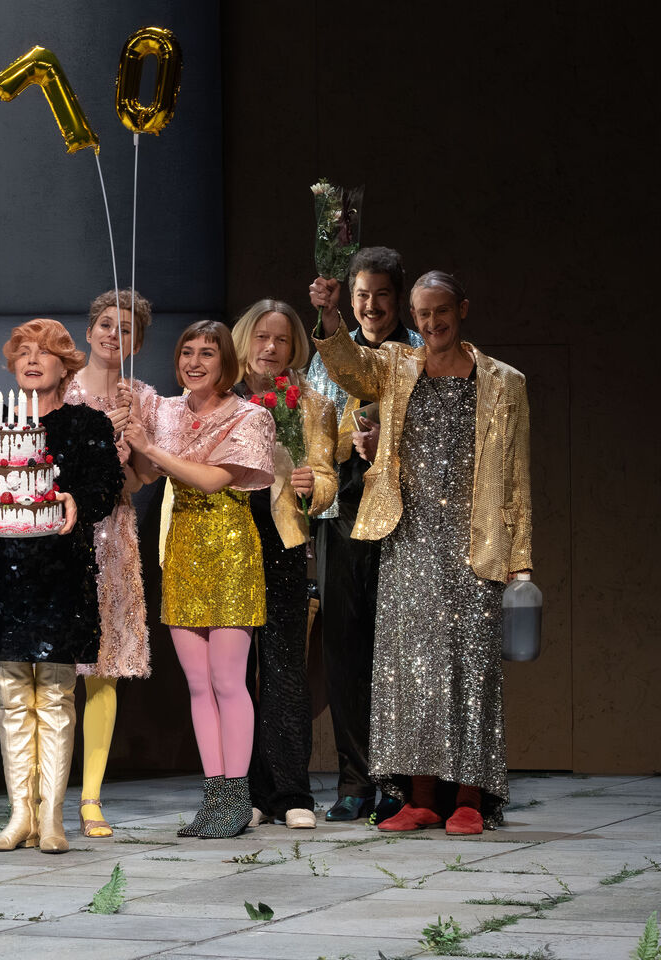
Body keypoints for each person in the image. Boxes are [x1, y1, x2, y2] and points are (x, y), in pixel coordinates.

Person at [309, 270, 531, 835]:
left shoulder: (504, 381)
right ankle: (422, 797)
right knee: (410, 671)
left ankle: (470, 799)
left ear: (462, 309)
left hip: (474, 542)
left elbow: (516, 477)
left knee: (470, 669)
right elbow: (348, 368)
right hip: (409, 539)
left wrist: (520, 558)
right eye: (424, 314)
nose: (433, 323)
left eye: (441, 311)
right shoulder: (397, 365)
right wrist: (331, 317)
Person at [0, 319, 123, 854]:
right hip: (2, 574)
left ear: (67, 365)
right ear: (12, 365)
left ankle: (53, 817)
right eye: (23, 352)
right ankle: (20, 814)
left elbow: (106, 483)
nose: (33, 360)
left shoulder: (86, 424)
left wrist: (75, 499)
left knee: (57, 694)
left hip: (61, 572)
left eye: (45, 352)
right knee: (12, 695)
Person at [124, 321, 275, 838]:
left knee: (228, 680)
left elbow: (213, 480)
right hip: (183, 548)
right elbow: (146, 474)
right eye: (186, 352)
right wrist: (128, 445)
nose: (194, 362)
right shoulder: (166, 412)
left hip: (230, 550)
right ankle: (214, 796)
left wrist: (151, 449)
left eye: (206, 353)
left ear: (226, 362)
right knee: (196, 683)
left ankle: (237, 796)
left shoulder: (250, 416)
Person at [304, 247, 423, 824]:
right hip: (341, 514)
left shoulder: (421, 353)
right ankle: (354, 779)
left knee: (397, 651)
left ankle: (397, 779)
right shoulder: (329, 355)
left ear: (399, 298)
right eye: (361, 296)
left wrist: (391, 449)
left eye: (381, 295)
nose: (371, 306)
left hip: (406, 519)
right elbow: (313, 432)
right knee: (345, 649)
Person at [229, 301, 337, 830]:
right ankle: (248, 792)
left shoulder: (310, 404)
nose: (270, 348)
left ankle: (293, 792)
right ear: (244, 340)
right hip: (225, 544)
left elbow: (328, 478)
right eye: (261, 337)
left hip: (284, 543)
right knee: (233, 674)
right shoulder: (220, 398)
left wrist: (314, 486)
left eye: (282, 340)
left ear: (295, 348)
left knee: (284, 670)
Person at [62, 289, 156, 839]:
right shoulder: (60, 388)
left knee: (104, 669)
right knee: (56, 670)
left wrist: (131, 441)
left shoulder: (140, 396)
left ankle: (91, 798)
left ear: (136, 343)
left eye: (125, 329)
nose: (111, 335)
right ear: (89, 330)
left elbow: (143, 477)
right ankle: (42, 793)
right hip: (63, 532)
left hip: (114, 532)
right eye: (104, 324)